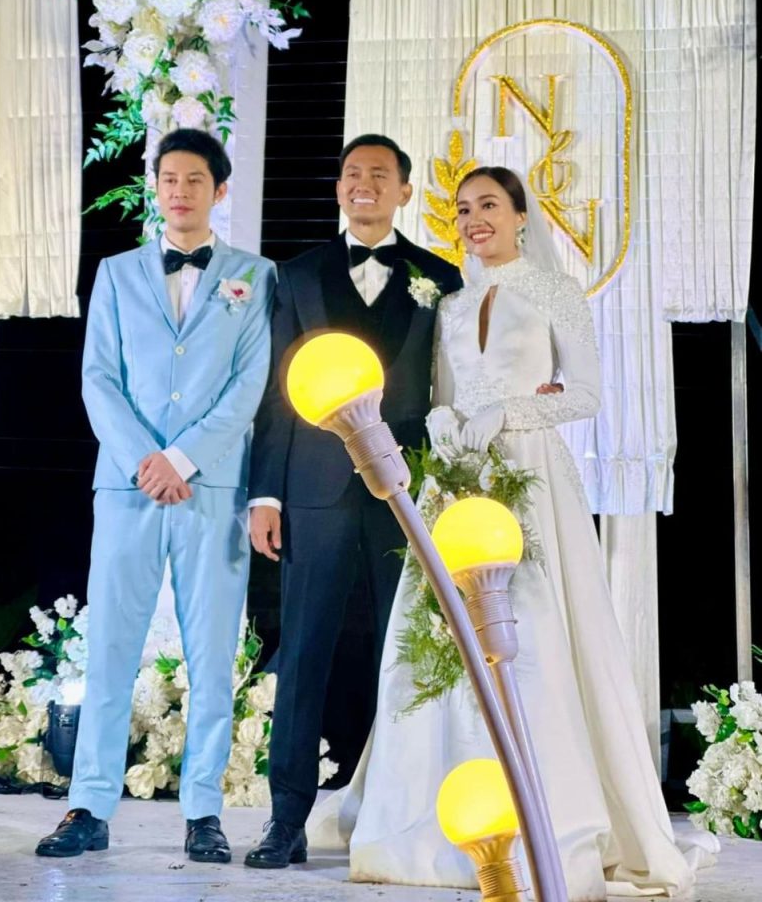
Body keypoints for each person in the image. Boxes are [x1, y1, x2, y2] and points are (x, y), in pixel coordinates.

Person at [308, 167, 717, 899]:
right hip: (456, 476)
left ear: (521, 215)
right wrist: (445, 418)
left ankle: (549, 820)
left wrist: (513, 412)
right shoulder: (452, 303)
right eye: (463, 208)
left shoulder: (555, 291)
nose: (474, 219)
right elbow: (443, 392)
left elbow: (586, 394)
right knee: (441, 636)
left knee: (530, 632)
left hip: (531, 476)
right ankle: (435, 826)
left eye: (489, 205)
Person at [36, 128, 276, 863]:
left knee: (212, 654)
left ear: (219, 189)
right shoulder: (115, 273)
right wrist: (147, 460)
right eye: (169, 178)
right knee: (110, 647)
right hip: (127, 485)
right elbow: (97, 379)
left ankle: (203, 811)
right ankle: (88, 805)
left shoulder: (255, 276)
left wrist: (182, 459)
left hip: (213, 489)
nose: (180, 191)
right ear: (155, 186)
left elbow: (250, 385)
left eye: (195, 179)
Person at [244, 134, 463, 869]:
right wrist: (265, 493)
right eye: (350, 174)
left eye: (378, 174)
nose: (362, 184)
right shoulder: (297, 274)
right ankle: (285, 820)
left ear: (405, 191)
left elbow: (447, 387)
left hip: (404, 490)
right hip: (313, 488)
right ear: (339, 188)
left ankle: (393, 817)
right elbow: (277, 393)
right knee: (303, 650)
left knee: (400, 654)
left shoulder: (439, 278)